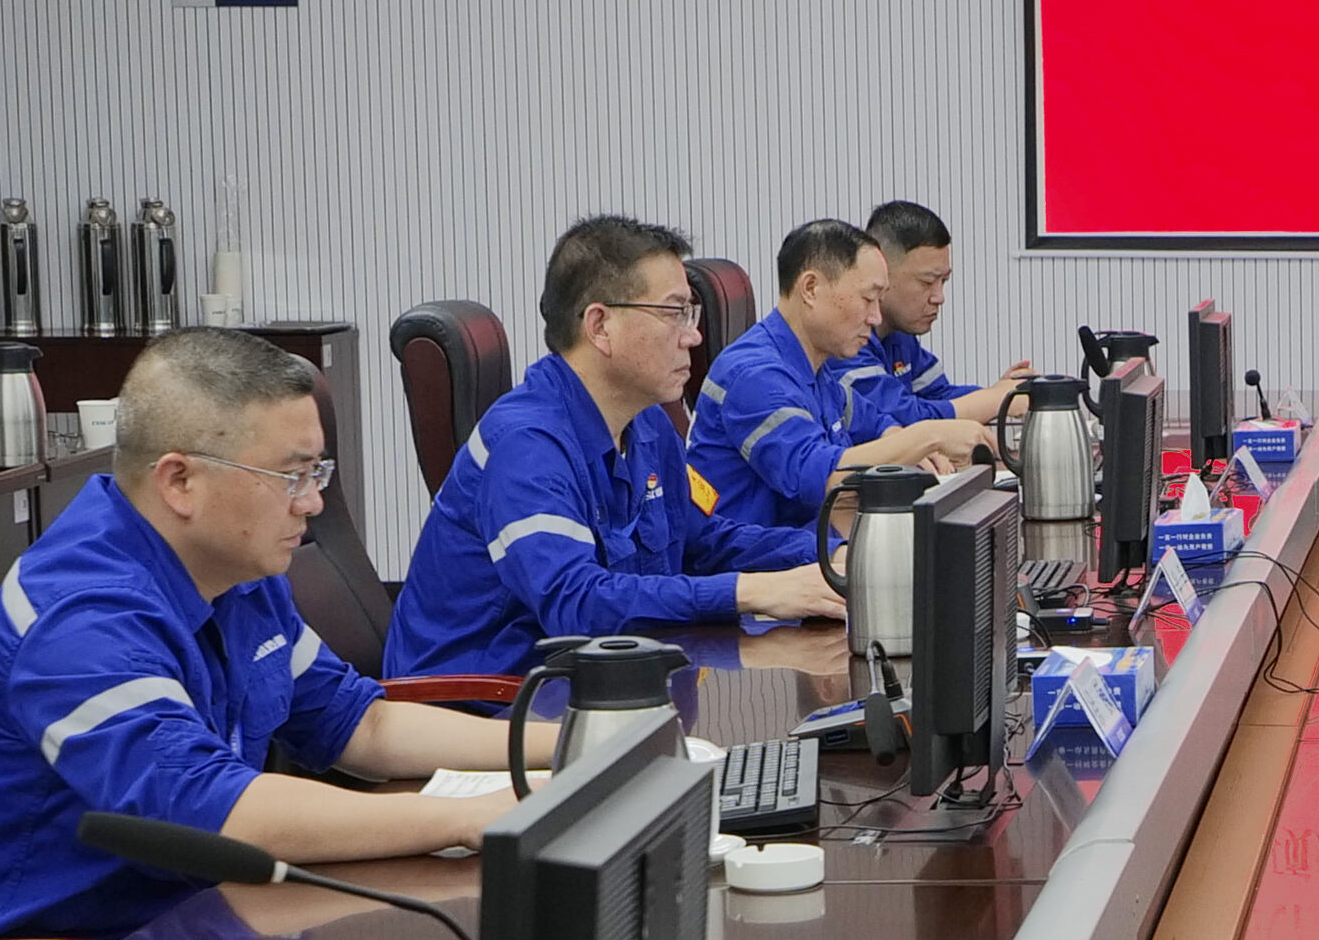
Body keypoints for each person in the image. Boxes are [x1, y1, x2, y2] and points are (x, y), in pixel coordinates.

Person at [0, 329, 522, 940]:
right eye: (292, 475)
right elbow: (222, 811)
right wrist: (466, 818)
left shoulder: (232, 570)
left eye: (318, 471)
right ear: (180, 481)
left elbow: (361, 726)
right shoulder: (81, 616)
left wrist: (569, 744)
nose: (314, 502)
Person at [387, 218, 848, 678]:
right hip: (484, 701)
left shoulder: (647, 422)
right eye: (674, 312)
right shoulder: (526, 446)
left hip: (600, 680)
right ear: (600, 325)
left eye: (690, 313)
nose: (693, 336)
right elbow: (577, 604)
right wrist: (753, 592)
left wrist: (834, 555)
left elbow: (704, 543)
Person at [700, 222, 988, 559]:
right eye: (868, 299)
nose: (875, 317)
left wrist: (909, 446)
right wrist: (929, 437)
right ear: (811, 289)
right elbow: (823, 477)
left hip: (815, 549)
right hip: (761, 569)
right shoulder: (755, 374)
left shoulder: (816, 367)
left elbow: (875, 422)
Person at [858, 202, 1032, 434]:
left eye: (944, 281)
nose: (939, 298)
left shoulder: (899, 335)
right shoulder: (845, 341)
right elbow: (906, 418)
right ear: (881, 273)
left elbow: (939, 396)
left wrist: (1003, 390)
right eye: (927, 282)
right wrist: (997, 399)